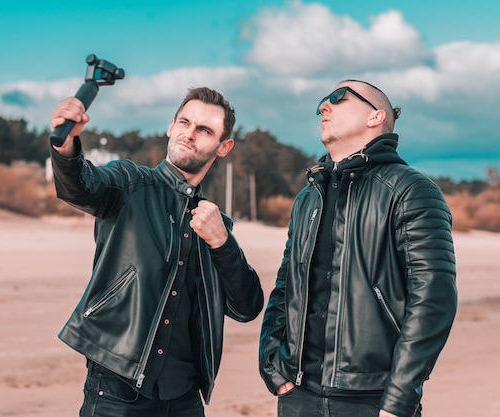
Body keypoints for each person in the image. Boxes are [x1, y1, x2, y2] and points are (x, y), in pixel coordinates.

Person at [49, 86, 264, 417]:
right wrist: (65, 143)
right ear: (170, 125)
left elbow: (246, 307)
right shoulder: (129, 182)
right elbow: (79, 185)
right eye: (184, 122)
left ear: (224, 147)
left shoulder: (215, 224)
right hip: (116, 388)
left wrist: (222, 242)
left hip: (184, 398)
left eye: (204, 130)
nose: (189, 135)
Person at [258, 80, 457, 417]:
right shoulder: (309, 197)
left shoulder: (411, 190)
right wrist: (272, 366)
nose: (324, 106)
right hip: (297, 394)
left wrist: (399, 397)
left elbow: (433, 300)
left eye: (338, 98)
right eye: (323, 100)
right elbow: (285, 286)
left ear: (376, 116)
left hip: (372, 400)